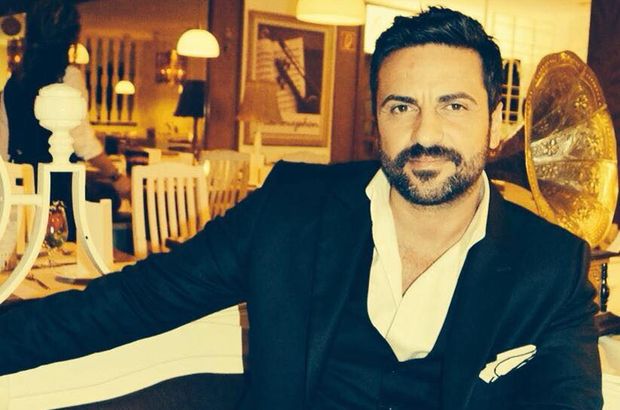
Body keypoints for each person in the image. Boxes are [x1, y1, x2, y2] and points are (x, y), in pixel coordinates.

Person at [0, 7, 602, 409]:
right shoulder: (289, 211)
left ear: (495, 122)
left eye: (454, 106)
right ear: (376, 120)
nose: (425, 133)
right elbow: (132, 302)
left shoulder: (552, 266)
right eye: (401, 107)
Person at [0, 0, 130, 227]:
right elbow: (82, 141)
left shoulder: (13, 82)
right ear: (72, 37)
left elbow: (4, 143)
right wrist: (116, 176)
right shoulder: (67, 77)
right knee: (65, 242)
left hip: (21, 186)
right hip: (57, 184)